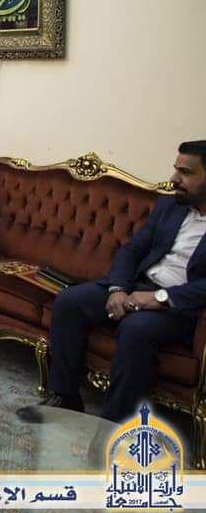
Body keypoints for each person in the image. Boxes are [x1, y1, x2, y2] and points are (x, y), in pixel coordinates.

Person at [42, 140, 206, 421]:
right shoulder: (170, 206)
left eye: (186, 172)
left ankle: (113, 423)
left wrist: (160, 298)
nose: (174, 178)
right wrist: (118, 288)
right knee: (69, 301)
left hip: (179, 307)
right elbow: (133, 250)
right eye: (176, 169)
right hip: (138, 286)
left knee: (135, 329)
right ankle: (65, 397)